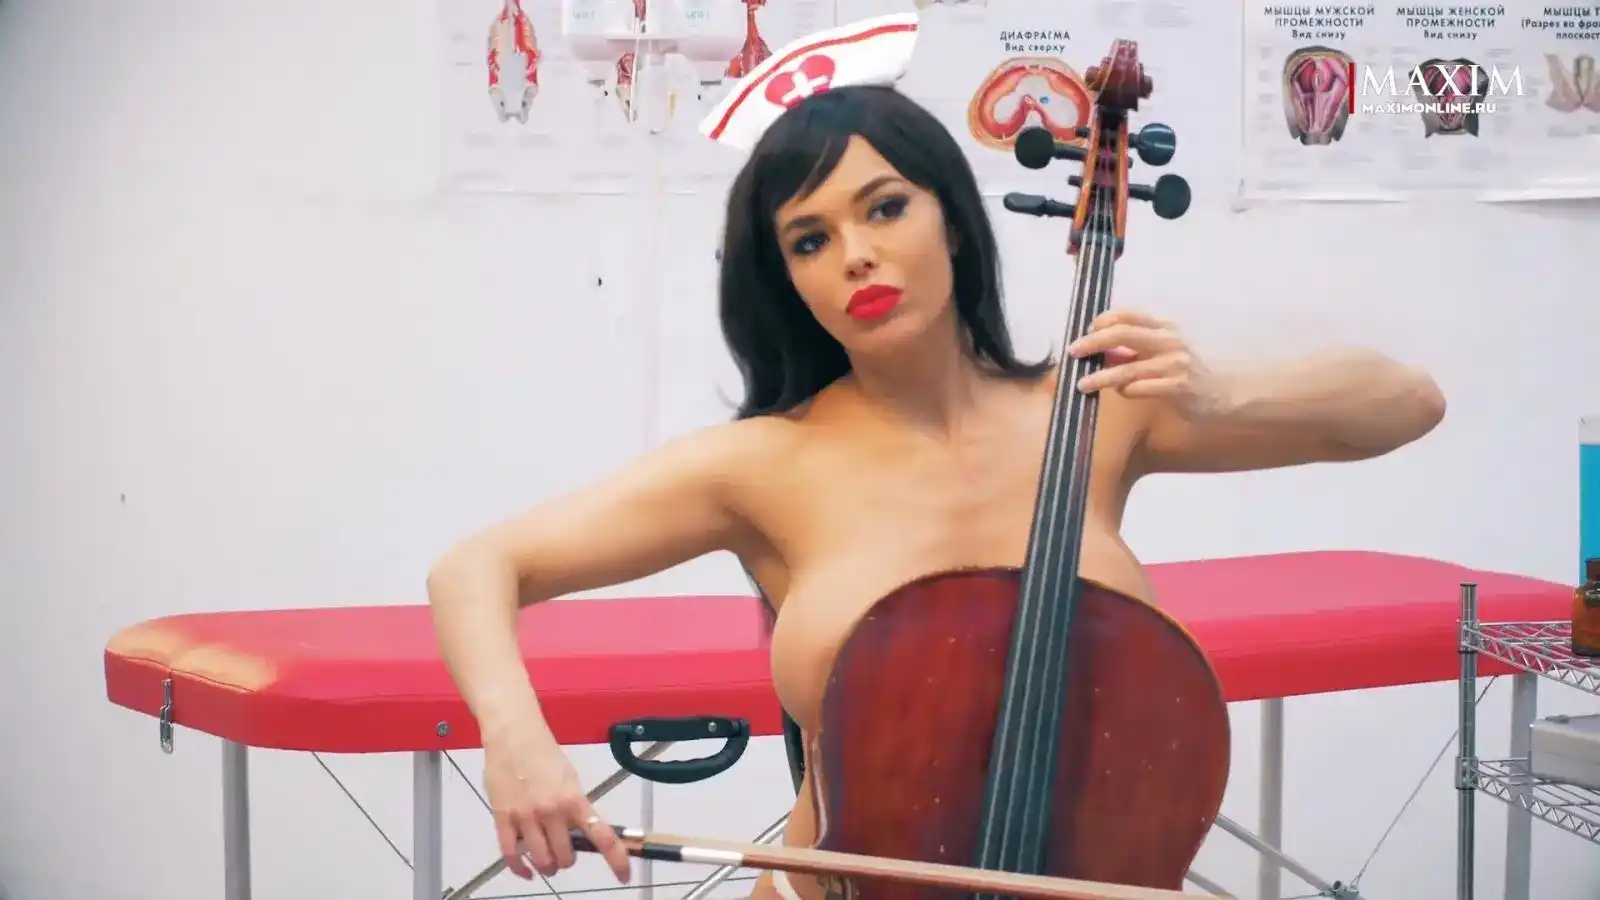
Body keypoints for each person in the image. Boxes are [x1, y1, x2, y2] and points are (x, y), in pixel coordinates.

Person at [425, 13, 1447, 900]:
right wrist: (517, 744)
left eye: (883, 207)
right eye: (809, 239)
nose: (856, 255)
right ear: (789, 283)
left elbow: (1405, 405)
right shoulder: (762, 466)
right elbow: (477, 567)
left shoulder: (1093, 412)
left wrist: (1222, 393)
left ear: (951, 221)